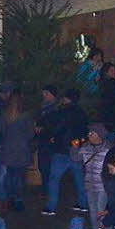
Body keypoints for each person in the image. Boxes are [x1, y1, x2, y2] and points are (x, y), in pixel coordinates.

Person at [42, 88, 88, 216]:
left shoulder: (62, 112)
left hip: (62, 149)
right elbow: (84, 130)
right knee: (79, 177)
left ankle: (51, 206)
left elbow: (55, 128)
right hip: (76, 148)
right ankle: (83, 203)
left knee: (54, 178)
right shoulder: (81, 113)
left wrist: (52, 138)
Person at [0, 91, 32, 213]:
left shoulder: (4, 115)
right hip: (21, 150)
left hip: (8, 149)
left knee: (10, 175)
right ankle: (18, 200)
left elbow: (1, 130)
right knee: (20, 176)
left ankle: (10, 198)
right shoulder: (25, 116)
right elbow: (30, 133)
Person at [79, 123, 111, 229]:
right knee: (92, 211)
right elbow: (75, 159)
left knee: (100, 210)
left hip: (102, 186)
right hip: (89, 184)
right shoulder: (85, 148)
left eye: (92, 133)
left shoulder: (108, 150)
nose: (89, 135)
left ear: (99, 135)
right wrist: (74, 148)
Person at [98, 62, 115, 137]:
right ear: (106, 72)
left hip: (111, 118)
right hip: (110, 118)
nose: (114, 72)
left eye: (114, 70)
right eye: (111, 70)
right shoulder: (110, 84)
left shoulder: (111, 83)